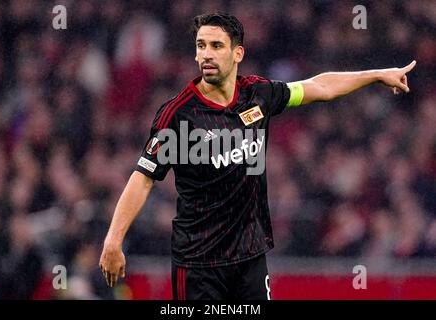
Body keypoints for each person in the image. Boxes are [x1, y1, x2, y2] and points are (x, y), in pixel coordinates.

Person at [99, 12, 416, 300]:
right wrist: (114, 239)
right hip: (198, 264)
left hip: (250, 259)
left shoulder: (258, 94)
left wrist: (377, 74)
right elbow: (143, 178)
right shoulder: (177, 114)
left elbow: (321, 86)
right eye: (201, 46)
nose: (206, 54)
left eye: (216, 45)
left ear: (237, 53)